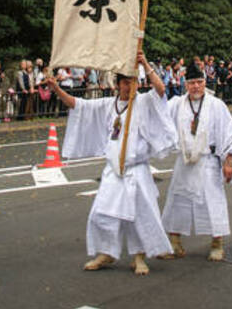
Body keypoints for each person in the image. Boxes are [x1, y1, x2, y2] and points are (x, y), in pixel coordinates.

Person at [48, 51, 177, 276]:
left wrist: (145, 64)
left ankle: (139, 257)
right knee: (102, 212)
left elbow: (161, 90)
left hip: (136, 171)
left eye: (133, 82)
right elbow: (77, 105)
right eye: (126, 83)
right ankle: (106, 252)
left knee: (139, 216)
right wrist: (56, 89)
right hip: (113, 171)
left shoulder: (144, 102)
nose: (130, 87)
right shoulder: (108, 105)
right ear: (117, 84)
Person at [161, 60, 232, 262]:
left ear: (204, 82)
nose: (196, 87)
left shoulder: (216, 105)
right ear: (185, 84)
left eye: (199, 82)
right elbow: (159, 118)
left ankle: (217, 243)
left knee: (212, 202)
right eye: (192, 83)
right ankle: (174, 242)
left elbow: (229, 134)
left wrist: (228, 162)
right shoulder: (177, 104)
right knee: (177, 200)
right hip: (185, 161)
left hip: (208, 160)